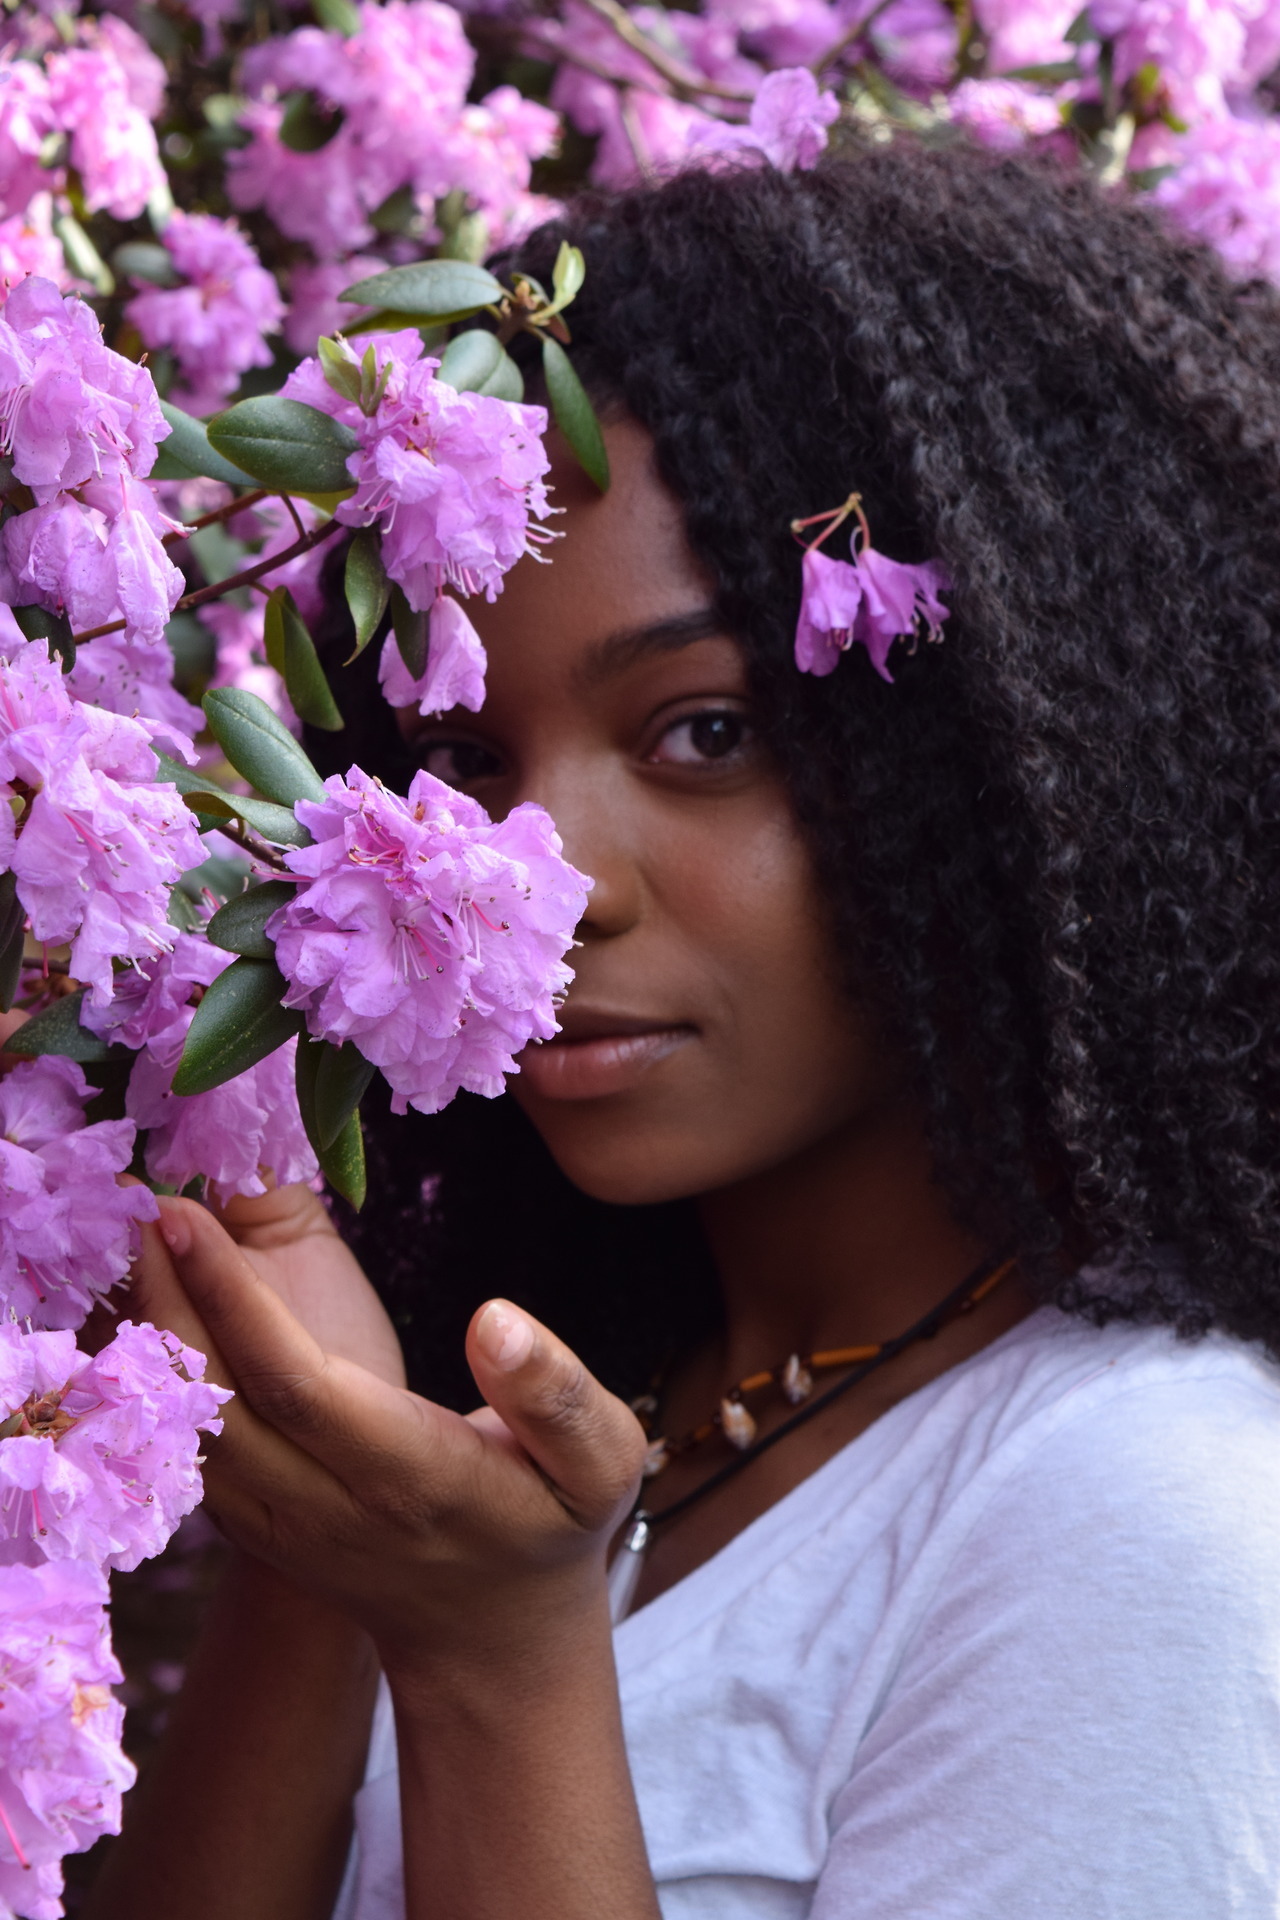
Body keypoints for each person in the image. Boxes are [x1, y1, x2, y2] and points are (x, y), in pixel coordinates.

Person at [86, 138, 1280, 1920]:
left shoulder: (1144, 1514)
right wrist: (334, 1501)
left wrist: (496, 1659)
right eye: (468, 762)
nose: (532, 884)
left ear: (1009, 771)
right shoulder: (623, 1398)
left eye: (702, 733)